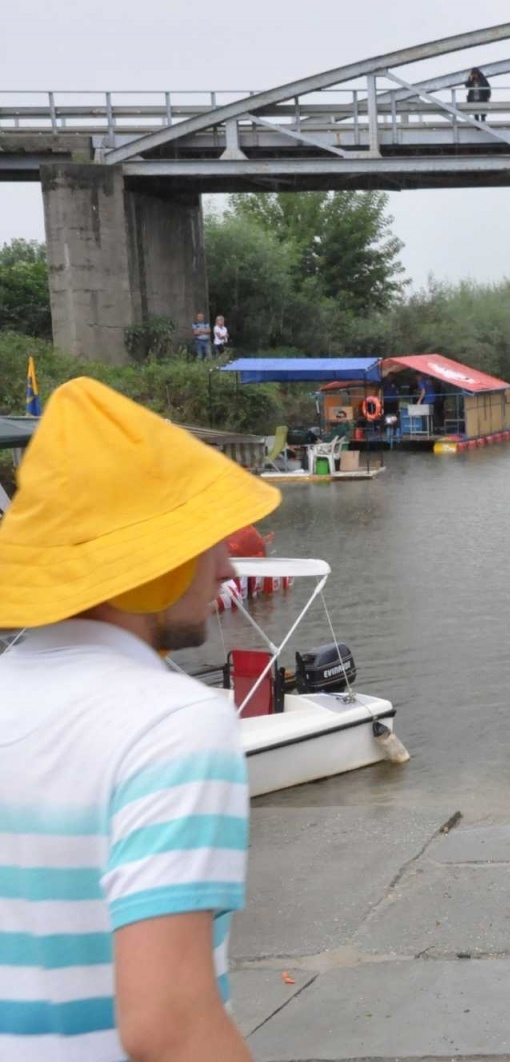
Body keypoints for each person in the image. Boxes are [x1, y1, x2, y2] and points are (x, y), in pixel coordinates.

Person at [0, 376, 282, 1060]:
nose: (226, 568)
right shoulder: (169, 722)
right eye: (205, 542)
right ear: (145, 564)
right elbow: (170, 1026)